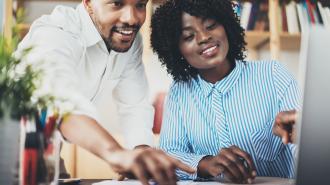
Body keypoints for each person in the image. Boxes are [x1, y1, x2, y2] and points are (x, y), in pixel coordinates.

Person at [15, 0, 194, 184]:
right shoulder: (55, 33)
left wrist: (141, 149)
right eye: (117, 3)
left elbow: (134, 105)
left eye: (140, 5)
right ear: (88, 3)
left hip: (46, 151)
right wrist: (116, 154)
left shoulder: (130, 41)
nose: (131, 18)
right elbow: (59, 101)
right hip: (10, 155)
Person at [150, 0, 301, 183]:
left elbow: (308, 150)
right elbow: (169, 154)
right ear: (177, 50)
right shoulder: (179, 91)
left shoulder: (273, 74)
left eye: (211, 25)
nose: (204, 37)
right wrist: (205, 164)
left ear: (226, 25)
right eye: (189, 37)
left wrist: (301, 134)